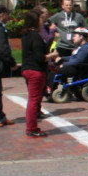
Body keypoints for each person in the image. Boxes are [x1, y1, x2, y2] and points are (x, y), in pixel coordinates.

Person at [20, 9, 56, 137]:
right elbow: (40, 57)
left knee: (33, 99)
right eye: (41, 19)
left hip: (27, 69)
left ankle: (32, 126)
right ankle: (31, 128)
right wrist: (52, 55)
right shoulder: (35, 35)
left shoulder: (25, 34)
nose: (43, 21)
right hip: (35, 70)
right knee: (34, 100)